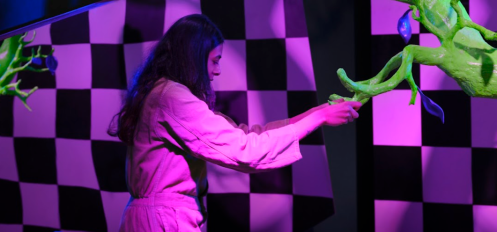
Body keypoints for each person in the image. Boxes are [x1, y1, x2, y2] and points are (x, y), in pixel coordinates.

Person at [109, 14, 361, 232]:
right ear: (193, 57)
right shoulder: (172, 98)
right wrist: (318, 118)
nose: (217, 71)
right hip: (161, 221)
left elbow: (247, 134)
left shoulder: (165, 94)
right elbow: (244, 149)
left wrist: (317, 113)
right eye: (214, 60)